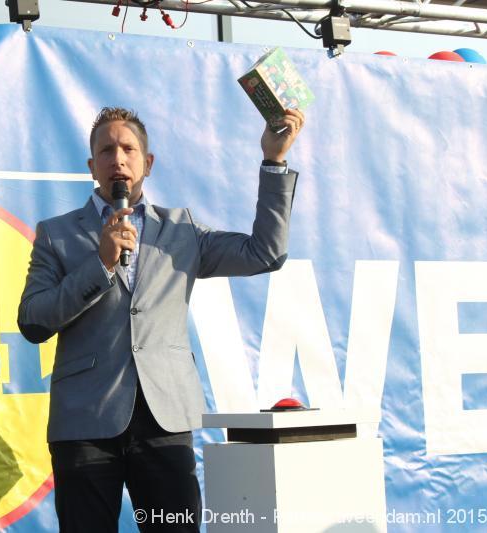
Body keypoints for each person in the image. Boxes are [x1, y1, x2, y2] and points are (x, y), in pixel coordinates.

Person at [17, 106, 305, 532]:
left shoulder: (181, 229)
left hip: (163, 420)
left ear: (147, 163)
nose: (118, 159)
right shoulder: (56, 234)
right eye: (106, 150)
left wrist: (274, 161)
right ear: (91, 166)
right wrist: (100, 264)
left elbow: (264, 253)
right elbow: (33, 321)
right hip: (84, 422)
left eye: (128, 149)